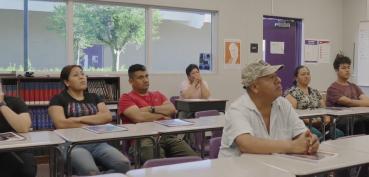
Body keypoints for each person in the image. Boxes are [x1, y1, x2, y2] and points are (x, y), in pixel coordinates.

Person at [218, 60, 319, 157]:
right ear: (255, 87)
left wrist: (310, 142)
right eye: (271, 77)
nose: (279, 80)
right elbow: (246, 143)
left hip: (272, 168)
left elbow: (303, 134)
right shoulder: (237, 109)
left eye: (276, 76)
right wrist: (292, 146)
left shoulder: (283, 104)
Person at [48, 65, 130, 176]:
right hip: (73, 144)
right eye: (76, 75)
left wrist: (78, 119)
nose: (82, 77)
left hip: (97, 142)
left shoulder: (94, 96)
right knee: (91, 172)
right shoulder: (58, 99)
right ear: (67, 82)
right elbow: (61, 123)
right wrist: (95, 119)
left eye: (82, 74)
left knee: (124, 164)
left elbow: (107, 117)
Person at [119, 64, 197, 164]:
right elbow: (139, 117)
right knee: (159, 166)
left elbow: (172, 109)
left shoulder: (157, 94)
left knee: (194, 160)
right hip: (143, 140)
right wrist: (162, 114)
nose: (146, 80)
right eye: (140, 77)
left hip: (167, 136)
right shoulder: (126, 98)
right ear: (131, 81)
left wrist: (150, 109)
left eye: (147, 76)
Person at [285, 65, 344, 140]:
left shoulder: (315, 92)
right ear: (296, 78)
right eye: (303, 74)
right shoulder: (292, 94)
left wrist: (326, 118)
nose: (306, 76)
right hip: (303, 125)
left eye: (308, 74)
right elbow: (292, 116)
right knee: (317, 136)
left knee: (339, 134)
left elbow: (324, 109)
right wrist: (310, 121)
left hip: (320, 123)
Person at [326, 54, 369, 135]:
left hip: (355, 116)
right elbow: (348, 102)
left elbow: (367, 101)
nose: (347, 70)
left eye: (348, 67)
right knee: (359, 122)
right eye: (343, 68)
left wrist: (356, 103)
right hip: (339, 120)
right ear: (336, 70)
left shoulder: (354, 86)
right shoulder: (332, 88)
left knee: (366, 119)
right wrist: (360, 103)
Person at [0, 82, 36, 177]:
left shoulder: (15, 101)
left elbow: (23, 127)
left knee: (26, 168)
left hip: (15, 151)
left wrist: (2, 104)